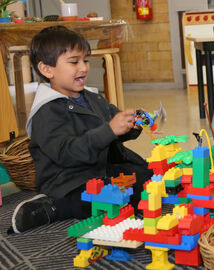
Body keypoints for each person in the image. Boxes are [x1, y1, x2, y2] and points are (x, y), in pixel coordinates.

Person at [9, 26, 153, 234]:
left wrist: (132, 124)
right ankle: (51, 208)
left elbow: (115, 127)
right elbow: (68, 153)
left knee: (149, 177)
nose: (84, 67)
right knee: (100, 199)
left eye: (85, 60)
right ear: (46, 69)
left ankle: (120, 196)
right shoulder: (46, 112)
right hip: (68, 181)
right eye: (74, 62)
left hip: (100, 170)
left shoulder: (92, 98)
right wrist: (109, 130)